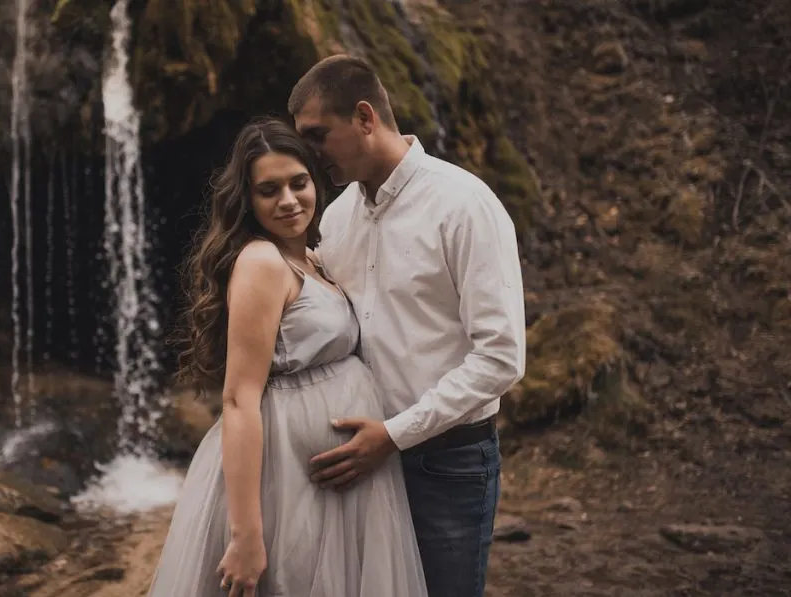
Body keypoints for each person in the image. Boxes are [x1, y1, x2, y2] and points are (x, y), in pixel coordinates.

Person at [145, 117, 429, 597]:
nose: (289, 200)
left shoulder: (312, 259)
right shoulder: (261, 262)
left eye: (299, 183)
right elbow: (238, 400)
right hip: (287, 477)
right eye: (269, 190)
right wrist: (247, 534)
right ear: (248, 201)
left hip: (338, 478)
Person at [287, 54, 527, 597]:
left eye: (318, 134)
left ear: (366, 117)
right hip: (359, 461)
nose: (309, 153)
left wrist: (394, 436)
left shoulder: (464, 205)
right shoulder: (336, 218)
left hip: (448, 463)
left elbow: (502, 357)